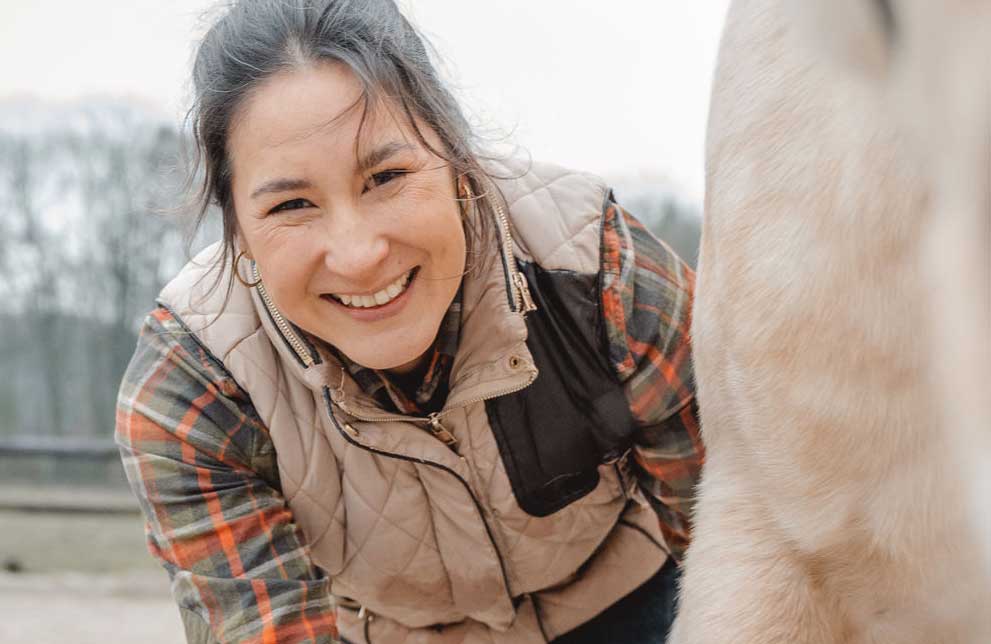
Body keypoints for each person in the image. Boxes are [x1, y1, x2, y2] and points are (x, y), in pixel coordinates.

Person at [115, 1, 703, 642]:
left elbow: (724, 529)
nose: (359, 255)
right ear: (237, 230)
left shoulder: (595, 264)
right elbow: (265, 628)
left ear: (456, 159)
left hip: (632, 599)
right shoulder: (194, 385)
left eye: (387, 176)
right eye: (291, 203)